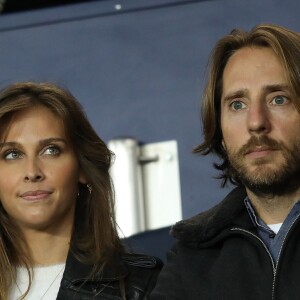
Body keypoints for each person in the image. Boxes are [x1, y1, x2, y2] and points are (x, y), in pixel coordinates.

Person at [151, 23, 300, 299]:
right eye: (237, 105)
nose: (256, 122)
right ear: (220, 133)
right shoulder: (190, 257)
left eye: (278, 99)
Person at [0, 81, 162, 300]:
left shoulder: (142, 286)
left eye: (51, 150)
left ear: (82, 167)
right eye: (12, 154)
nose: (32, 172)